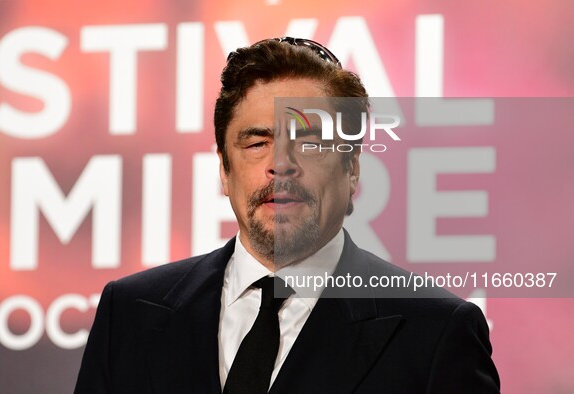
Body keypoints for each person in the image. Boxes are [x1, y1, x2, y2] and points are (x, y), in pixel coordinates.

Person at [75, 37, 500, 393]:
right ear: (224, 170)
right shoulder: (129, 312)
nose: (280, 163)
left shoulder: (437, 332)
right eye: (257, 143)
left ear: (351, 169)